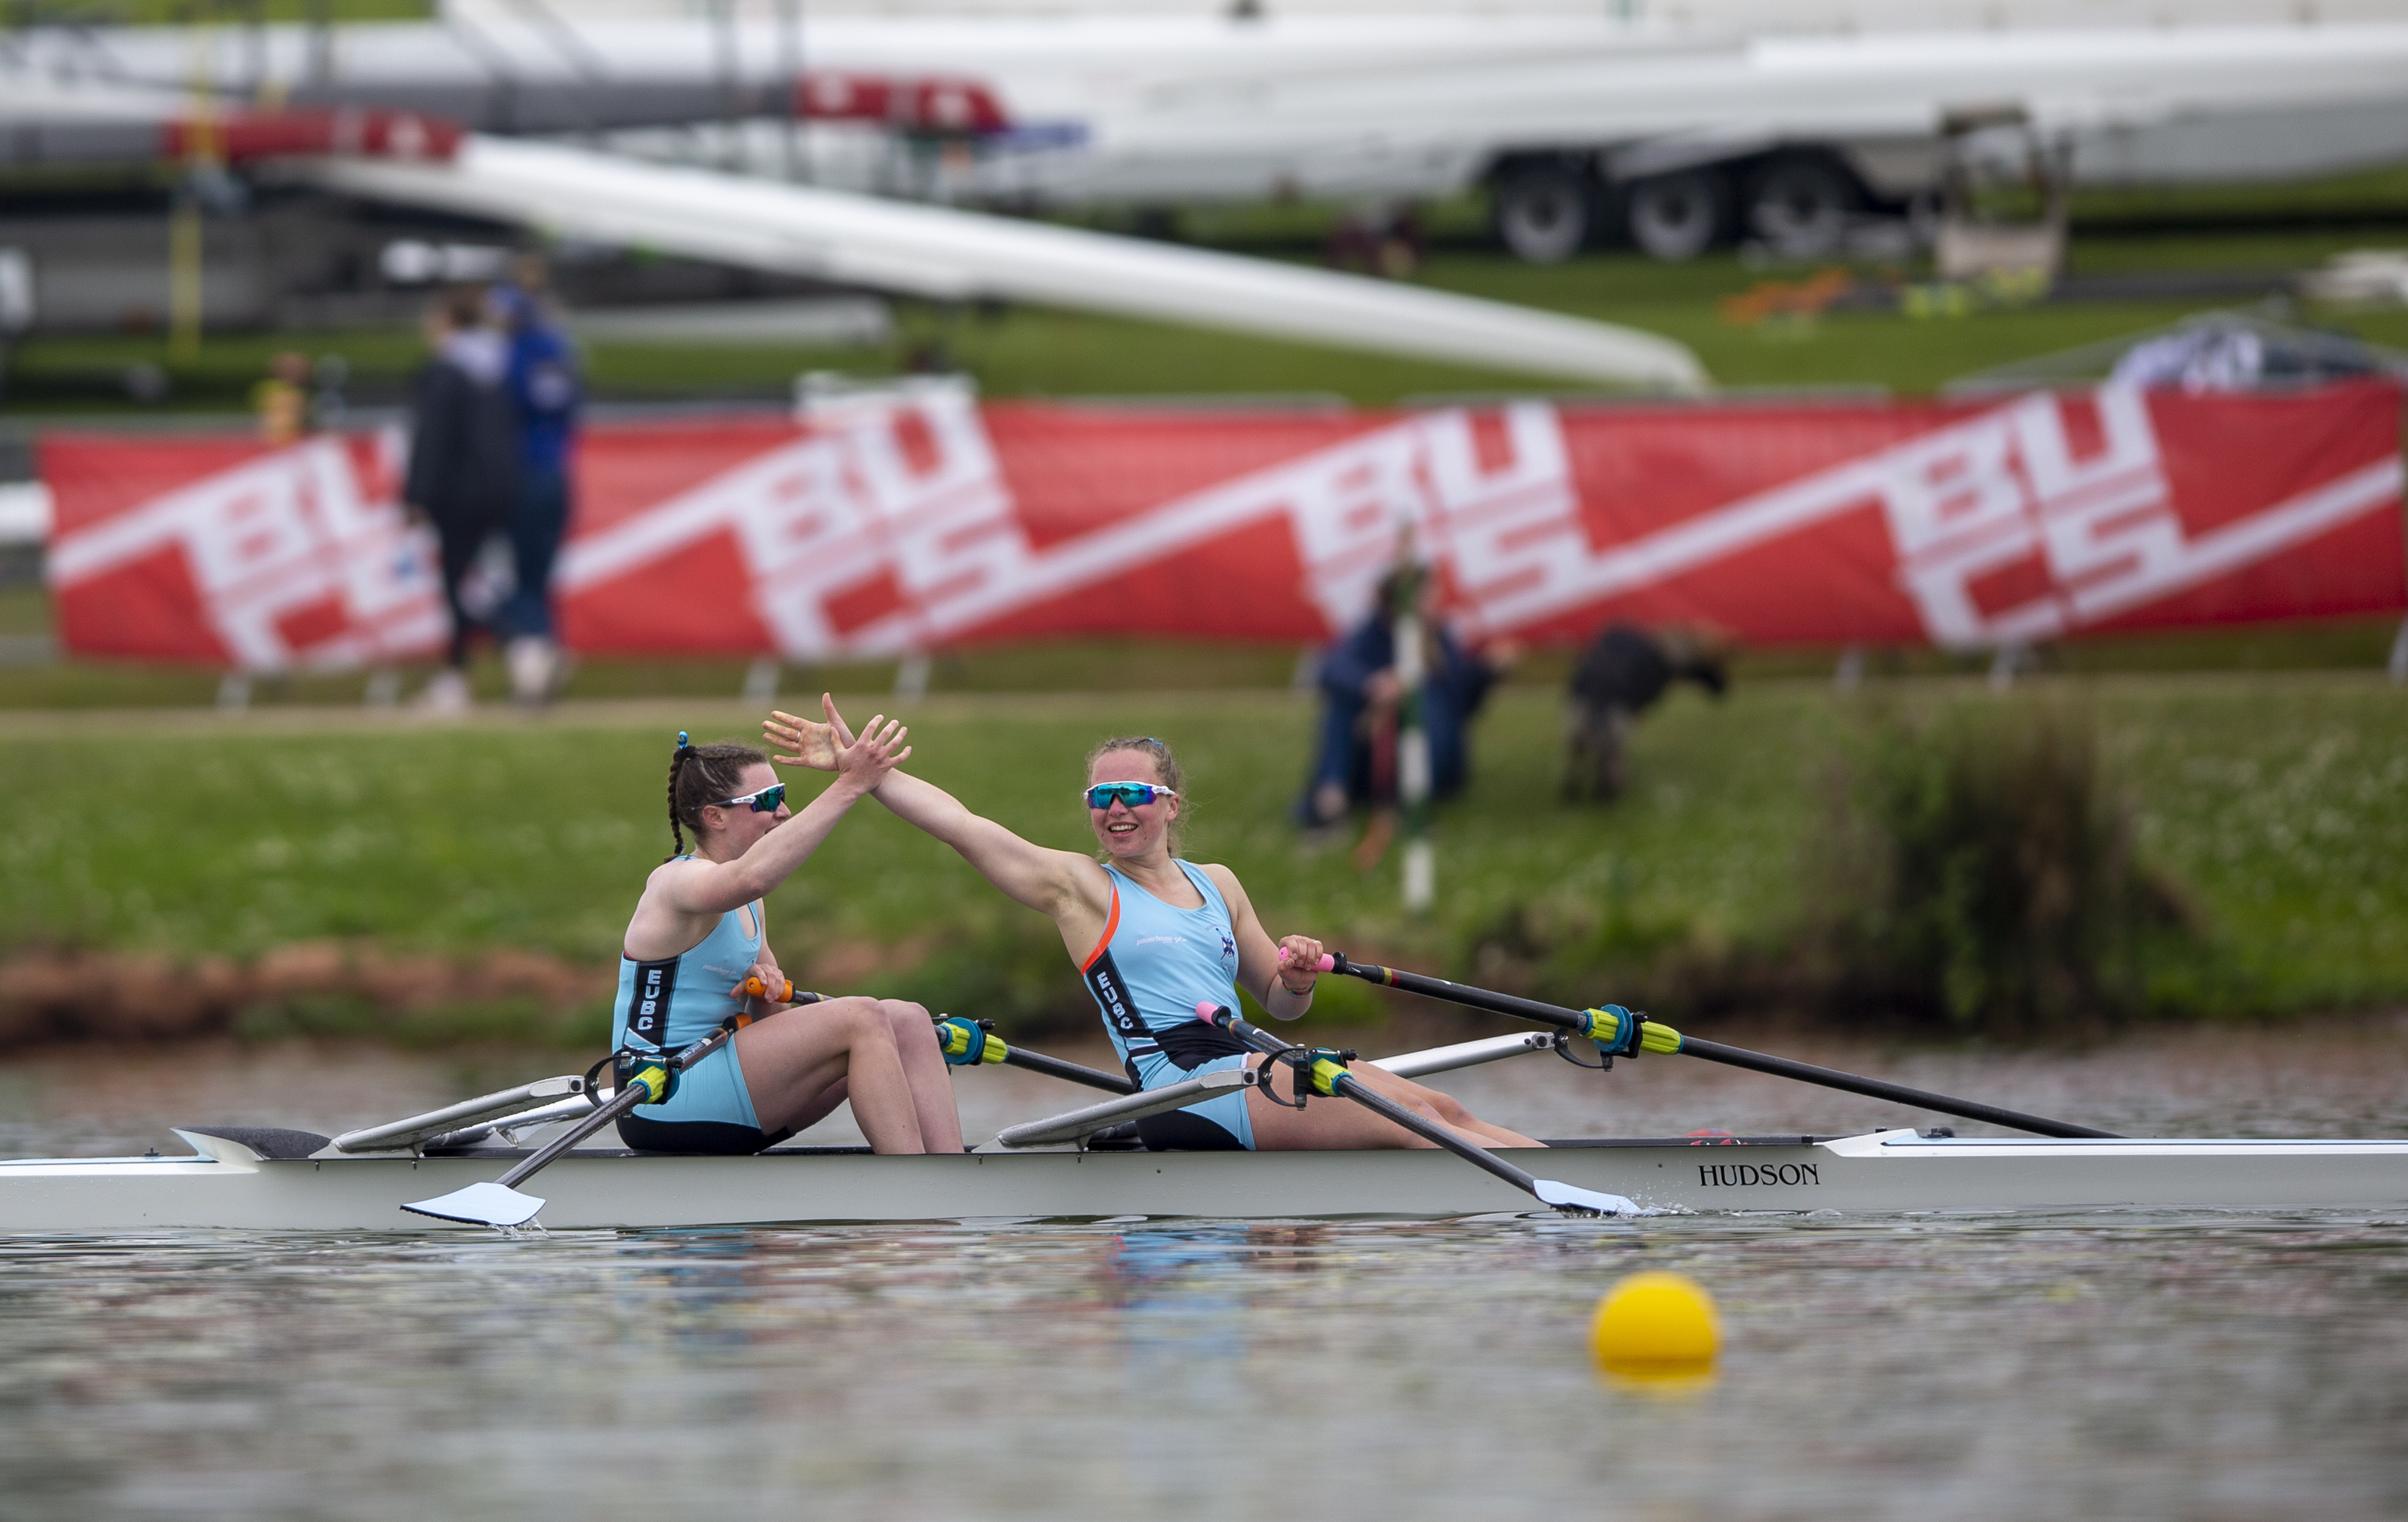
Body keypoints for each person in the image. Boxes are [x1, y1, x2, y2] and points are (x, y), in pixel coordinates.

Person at [764, 697, 1542, 1154]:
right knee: (1412, 1122)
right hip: (1179, 1093)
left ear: (1169, 805)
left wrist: (1298, 975)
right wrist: (864, 775)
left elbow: (1281, 1001)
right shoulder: (1079, 890)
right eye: (1101, 800)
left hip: (1254, 1061)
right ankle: (1567, 1199)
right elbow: (963, 827)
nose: (1117, 810)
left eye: (1133, 795)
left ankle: (1553, 1163)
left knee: (1442, 1110)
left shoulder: (1219, 885)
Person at [612, 726, 963, 1156]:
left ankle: (948, 1170)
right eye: (765, 802)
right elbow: (753, 876)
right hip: (661, 1097)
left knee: (907, 1019)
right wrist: (850, 784)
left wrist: (767, 992)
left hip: (724, 1083)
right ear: (715, 817)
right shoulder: (676, 884)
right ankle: (912, 1194)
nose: (783, 812)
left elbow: (774, 1023)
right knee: (861, 1017)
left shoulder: (749, 903)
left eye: (780, 795)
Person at [1292, 565, 1518, 830]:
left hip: (1434, 761)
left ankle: (1405, 803)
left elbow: (1462, 701)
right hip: (1373, 755)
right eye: (1430, 596)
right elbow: (1332, 667)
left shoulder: (1440, 638)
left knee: (1425, 699)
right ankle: (1331, 800)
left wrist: (1488, 670)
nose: (1437, 603)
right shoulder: (1372, 633)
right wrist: (1375, 685)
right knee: (1343, 703)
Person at [401, 291, 518, 714]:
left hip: (456, 494)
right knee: (485, 579)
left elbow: (432, 439)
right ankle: (522, 650)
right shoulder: (497, 365)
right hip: (499, 489)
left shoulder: (445, 370)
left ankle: (485, 662)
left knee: (458, 583)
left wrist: (417, 496)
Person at [488, 263, 581, 706]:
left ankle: (533, 669)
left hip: (522, 473)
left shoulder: (514, 353)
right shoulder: (559, 350)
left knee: (519, 577)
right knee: (539, 576)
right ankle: (546, 655)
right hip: (558, 471)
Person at [1563, 623, 1728, 802]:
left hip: (1591, 694)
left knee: (1586, 741)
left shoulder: (1628, 645)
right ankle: (1597, 781)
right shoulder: (1654, 659)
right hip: (1608, 698)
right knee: (1605, 746)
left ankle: (1580, 778)